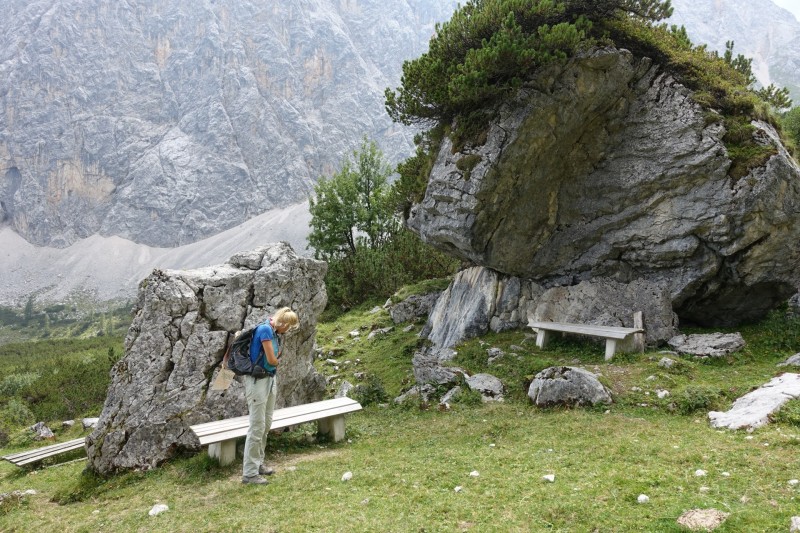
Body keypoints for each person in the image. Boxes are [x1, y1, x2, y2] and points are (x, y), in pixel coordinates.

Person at [241, 307, 299, 485]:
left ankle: (258, 464)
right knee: (257, 426)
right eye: (288, 327)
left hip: (269, 379)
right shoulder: (266, 330)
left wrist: (276, 360)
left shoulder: (274, 332)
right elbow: (272, 360)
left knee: (265, 424)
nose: (287, 330)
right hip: (258, 382)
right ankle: (249, 474)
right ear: (283, 322)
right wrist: (278, 360)